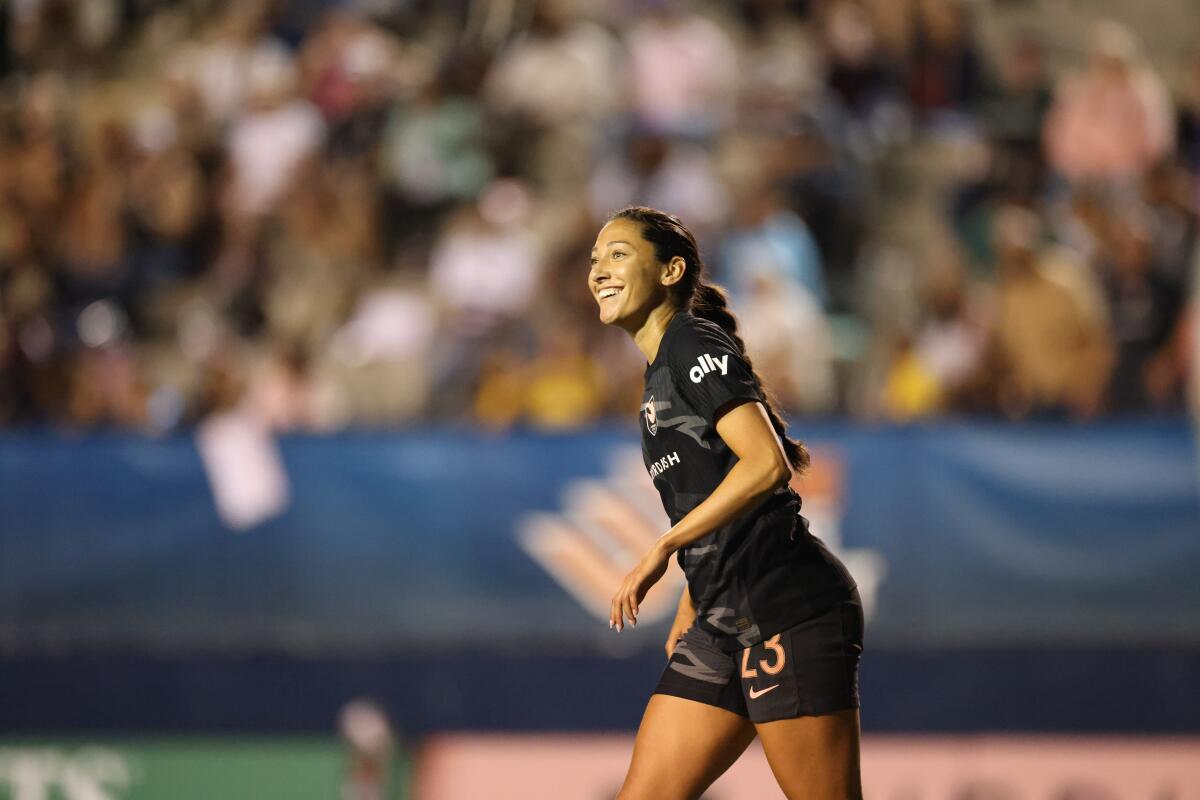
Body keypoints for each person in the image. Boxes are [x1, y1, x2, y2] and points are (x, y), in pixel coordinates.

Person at [588, 207, 863, 799]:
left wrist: (666, 545)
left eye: (617, 254)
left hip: (786, 604)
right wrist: (694, 593)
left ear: (671, 270)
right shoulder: (659, 372)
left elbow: (766, 464)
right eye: (594, 259)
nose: (598, 270)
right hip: (721, 617)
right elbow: (718, 495)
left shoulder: (689, 340)